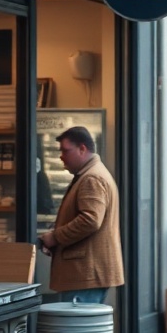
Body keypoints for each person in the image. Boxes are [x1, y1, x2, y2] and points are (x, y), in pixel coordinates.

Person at [37, 126, 124, 303]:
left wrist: (56, 237)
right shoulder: (92, 174)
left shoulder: (91, 178)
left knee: (76, 329)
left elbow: (90, 220)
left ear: (82, 149)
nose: (61, 156)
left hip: (84, 274)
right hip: (85, 274)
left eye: (66, 150)